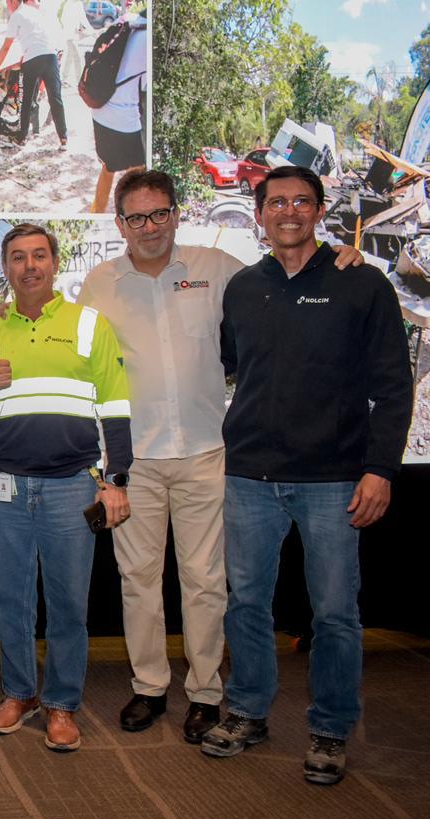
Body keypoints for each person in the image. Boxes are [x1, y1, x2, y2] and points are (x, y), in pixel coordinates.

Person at [79, 169, 369, 744]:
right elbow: (88, 380)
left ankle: (207, 693)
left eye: (160, 213)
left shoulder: (219, 271)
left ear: (176, 213)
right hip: (132, 462)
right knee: (137, 579)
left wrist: (341, 258)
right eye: (137, 217)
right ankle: (149, 686)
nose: (150, 226)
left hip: (208, 455)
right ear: (120, 225)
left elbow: (286, 283)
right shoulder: (98, 285)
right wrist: (101, 470)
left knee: (206, 581)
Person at [203, 166, 413, 785]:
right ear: (260, 213)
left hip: (333, 480)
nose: (288, 212)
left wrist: (380, 469)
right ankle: (246, 712)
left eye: (301, 202)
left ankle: (330, 728)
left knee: (334, 614)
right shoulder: (243, 287)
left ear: (319, 211)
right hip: (249, 477)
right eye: (277, 203)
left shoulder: (362, 283)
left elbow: (393, 387)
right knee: (245, 604)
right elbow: (232, 364)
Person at [0, 223, 131, 752]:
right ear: (5, 268)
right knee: (7, 597)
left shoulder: (88, 325)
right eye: (17, 258)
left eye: (39, 256)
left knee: (66, 602)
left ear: (54, 264)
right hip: (4, 482)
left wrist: (117, 481)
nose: (29, 265)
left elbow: (118, 408)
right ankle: (19, 693)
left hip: (70, 486)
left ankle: (61, 703)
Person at [89, 14, 147, 213]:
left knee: (108, 167)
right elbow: (146, 87)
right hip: (123, 120)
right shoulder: (148, 39)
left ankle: (96, 212)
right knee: (139, 175)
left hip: (99, 110)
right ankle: (134, 217)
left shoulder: (124, 22)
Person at [0, 0, 67, 149]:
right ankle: (64, 138)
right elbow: (42, 38)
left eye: (8, 2)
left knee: (26, 99)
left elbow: (6, 46)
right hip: (50, 56)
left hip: (33, 58)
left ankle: (22, 137)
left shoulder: (17, 15)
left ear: (14, 1)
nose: (7, 6)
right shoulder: (36, 13)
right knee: (55, 98)